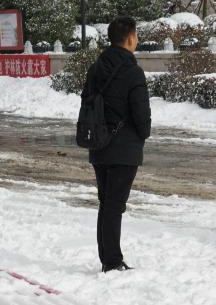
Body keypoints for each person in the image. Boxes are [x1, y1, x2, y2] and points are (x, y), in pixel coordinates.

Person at [81, 16, 151, 272]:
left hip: (98, 144)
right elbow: (141, 114)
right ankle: (111, 261)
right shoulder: (133, 72)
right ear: (130, 38)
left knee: (106, 203)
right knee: (114, 206)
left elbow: (86, 101)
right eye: (136, 35)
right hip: (125, 149)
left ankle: (108, 257)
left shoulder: (95, 68)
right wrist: (143, 134)